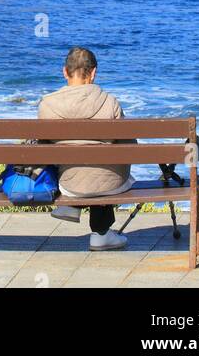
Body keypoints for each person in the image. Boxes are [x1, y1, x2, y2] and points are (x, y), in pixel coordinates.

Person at [38, 45, 134, 251]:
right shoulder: (110, 102)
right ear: (94, 73)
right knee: (104, 168)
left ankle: (72, 205)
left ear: (65, 72)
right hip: (109, 185)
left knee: (71, 160)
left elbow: (41, 148)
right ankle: (101, 234)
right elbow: (130, 148)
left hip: (68, 184)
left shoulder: (47, 104)